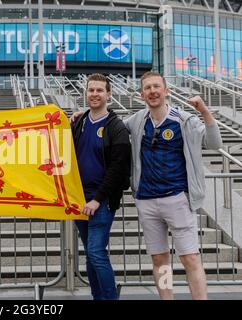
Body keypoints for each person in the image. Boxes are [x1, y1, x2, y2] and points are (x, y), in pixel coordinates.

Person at [71, 71, 223, 300]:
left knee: (190, 258)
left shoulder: (184, 120)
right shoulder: (137, 120)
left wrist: (203, 111)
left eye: (156, 87)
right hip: (147, 200)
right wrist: (82, 114)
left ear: (166, 90)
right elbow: (108, 125)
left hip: (178, 200)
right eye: (147, 88)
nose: (152, 91)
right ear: (142, 94)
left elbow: (213, 143)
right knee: (160, 260)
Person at [71, 73, 131, 300]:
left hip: (101, 201)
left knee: (96, 253)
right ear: (86, 93)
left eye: (99, 90)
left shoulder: (116, 128)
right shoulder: (79, 122)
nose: (94, 94)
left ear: (109, 94)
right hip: (79, 199)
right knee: (90, 254)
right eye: (91, 90)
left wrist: (97, 199)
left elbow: (118, 168)